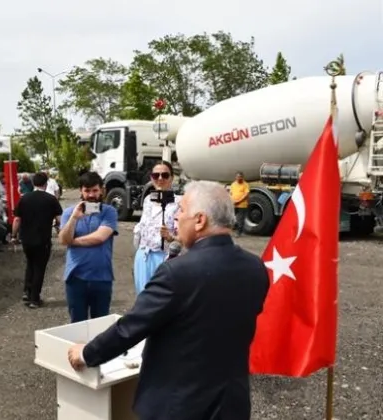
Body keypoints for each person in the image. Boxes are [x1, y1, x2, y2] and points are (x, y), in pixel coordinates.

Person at [67, 180, 270, 420]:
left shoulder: (176, 272)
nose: (176, 218)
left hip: (179, 407)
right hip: (231, 405)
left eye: (181, 210)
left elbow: (131, 327)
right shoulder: (255, 267)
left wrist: (86, 354)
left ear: (200, 220)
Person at [58, 172, 118, 323]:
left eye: (95, 190)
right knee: (77, 324)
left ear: (101, 190)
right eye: (87, 190)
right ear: (81, 191)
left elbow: (100, 237)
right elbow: (63, 239)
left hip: (101, 277)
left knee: (100, 325)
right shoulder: (69, 213)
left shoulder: (109, 211)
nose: (91, 195)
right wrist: (74, 218)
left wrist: (72, 241)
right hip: (75, 277)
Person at [12, 172, 63, 308]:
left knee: (30, 263)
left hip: (26, 239)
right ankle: (34, 299)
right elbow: (59, 219)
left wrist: (13, 236)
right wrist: (60, 230)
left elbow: (17, 219)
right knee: (39, 267)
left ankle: (27, 292)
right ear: (46, 184)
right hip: (43, 239)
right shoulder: (51, 199)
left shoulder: (24, 199)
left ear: (33, 183)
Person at [132, 161, 181, 294]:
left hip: (165, 257)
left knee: (162, 298)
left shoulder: (179, 202)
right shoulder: (148, 199)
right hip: (143, 256)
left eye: (165, 175)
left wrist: (172, 237)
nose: (160, 179)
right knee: (142, 298)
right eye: (156, 175)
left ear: (172, 178)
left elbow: (186, 236)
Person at [230, 171, 250, 237]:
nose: (239, 178)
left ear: (243, 177)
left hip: (242, 205)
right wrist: (231, 201)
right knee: (232, 218)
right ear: (236, 177)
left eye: (240, 177)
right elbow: (231, 194)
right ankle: (232, 230)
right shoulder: (233, 184)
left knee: (240, 219)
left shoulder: (245, 184)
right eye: (238, 177)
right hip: (234, 204)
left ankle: (239, 232)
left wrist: (239, 201)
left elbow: (246, 195)